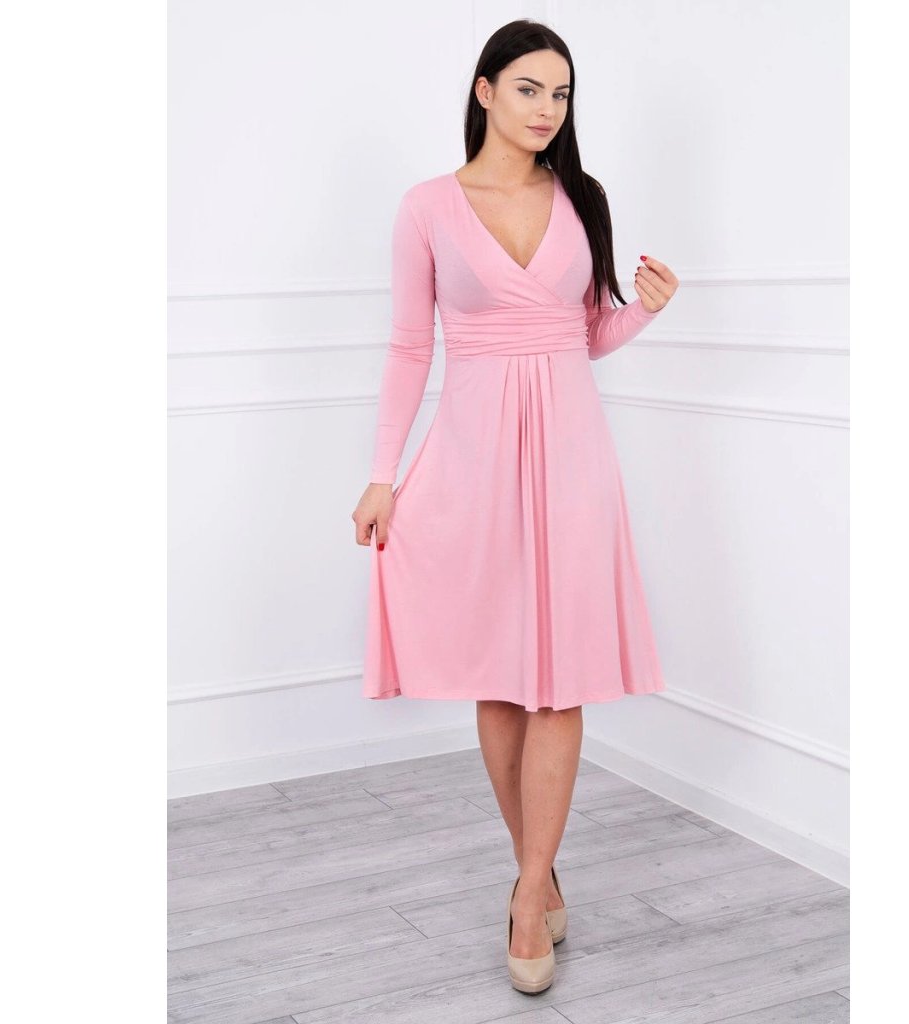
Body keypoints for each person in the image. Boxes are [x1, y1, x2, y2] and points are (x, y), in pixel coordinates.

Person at [351, 19, 678, 994]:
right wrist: (382, 472)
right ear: (485, 90)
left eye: (561, 94)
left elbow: (583, 335)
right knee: (499, 680)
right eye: (530, 88)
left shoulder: (584, 198)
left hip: (573, 458)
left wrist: (644, 309)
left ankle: (529, 891)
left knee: (560, 680)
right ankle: (538, 867)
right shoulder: (427, 207)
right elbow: (409, 346)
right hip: (472, 458)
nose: (548, 109)